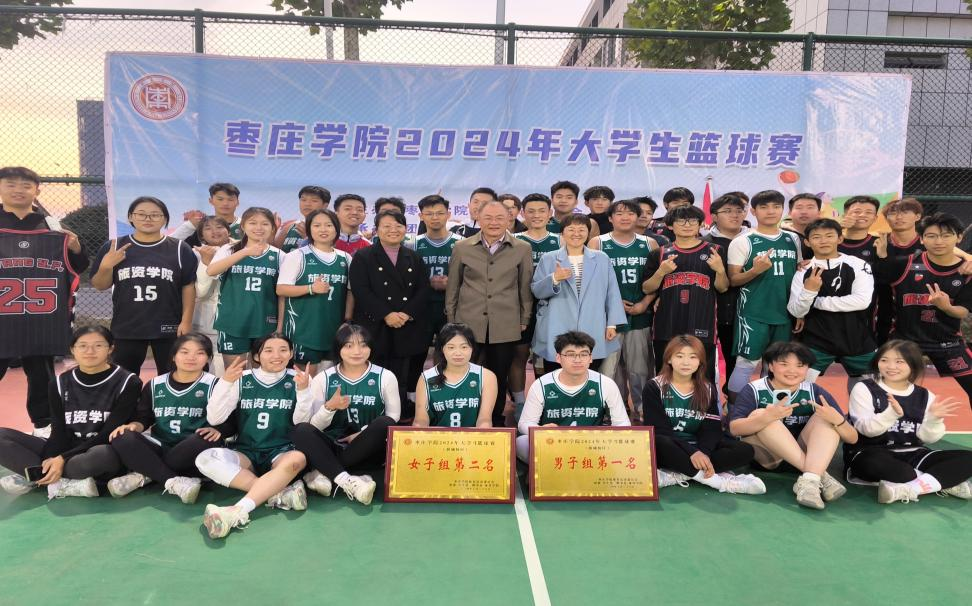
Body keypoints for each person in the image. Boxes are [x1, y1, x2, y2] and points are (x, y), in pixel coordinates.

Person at [0, 326, 141, 499]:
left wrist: (62, 459)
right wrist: (52, 458)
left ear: (110, 348)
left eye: (98, 345)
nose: (90, 351)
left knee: (103, 455)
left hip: (98, 449)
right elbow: (58, 430)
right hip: (68, 447)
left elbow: (108, 434)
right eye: (82, 346)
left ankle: (37, 476)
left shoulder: (128, 382)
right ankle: (58, 482)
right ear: (72, 349)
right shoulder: (59, 382)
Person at [0, 166, 89, 436]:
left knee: (41, 375)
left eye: (26, 185)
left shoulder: (52, 226)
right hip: (4, 315)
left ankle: (44, 425)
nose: (18, 190)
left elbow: (78, 266)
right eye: (11, 184)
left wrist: (75, 248)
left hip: (40, 317)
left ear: (36, 191)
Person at [195, 333, 308, 539]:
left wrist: (303, 391)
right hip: (246, 452)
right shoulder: (242, 379)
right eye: (269, 350)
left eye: (283, 350)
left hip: (281, 452)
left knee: (298, 459)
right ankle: (277, 491)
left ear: (291, 353)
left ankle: (237, 511)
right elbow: (215, 418)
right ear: (256, 356)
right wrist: (225, 383)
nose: (277, 355)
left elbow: (303, 422)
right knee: (205, 458)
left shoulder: (299, 379)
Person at [729, 342, 858, 510]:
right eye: (784, 364)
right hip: (769, 459)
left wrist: (838, 421)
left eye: (800, 365)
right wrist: (767, 417)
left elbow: (852, 438)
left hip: (806, 455)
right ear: (771, 366)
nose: (792, 370)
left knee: (826, 417)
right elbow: (735, 429)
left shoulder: (814, 391)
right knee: (761, 415)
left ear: (807, 369)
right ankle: (818, 475)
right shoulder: (754, 389)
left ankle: (809, 480)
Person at [105, 332, 229, 503]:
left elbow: (230, 420)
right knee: (121, 436)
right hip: (162, 445)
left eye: (200, 353)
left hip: (194, 448)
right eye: (184, 352)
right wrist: (134, 426)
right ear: (173, 356)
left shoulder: (215, 384)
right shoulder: (155, 384)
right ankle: (174, 481)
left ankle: (148, 473)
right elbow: (144, 418)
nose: (191, 357)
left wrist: (218, 429)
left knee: (205, 438)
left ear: (208, 358)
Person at [846, 339, 972, 503]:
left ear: (913, 364)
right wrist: (891, 413)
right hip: (870, 452)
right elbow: (867, 430)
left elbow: (928, 439)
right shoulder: (864, 388)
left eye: (899, 362)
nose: (891, 366)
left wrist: (934, 419)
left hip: (914, 453)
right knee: (891, 469)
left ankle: (912, 488)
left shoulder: (925, 396)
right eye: (884, 360)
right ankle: (942, 481)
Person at [446, 200, 534, 427]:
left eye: (499, 218)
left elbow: (524, 287)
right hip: (468, 321)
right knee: (465, 372)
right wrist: (452, 321)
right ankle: (466, 417)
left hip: (505, 322)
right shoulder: (462, 247)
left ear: (509, 219)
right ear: (478, 217)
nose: (494, 222)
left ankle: (494, 419)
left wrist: (524, 318)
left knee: (498, 374)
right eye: (488, 218)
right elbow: (453, 286)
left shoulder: (522, 248)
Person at [292, 323, 401, 505]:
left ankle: (324, 470)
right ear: (338, 348)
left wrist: (363, 434)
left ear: (371, 348)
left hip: (369, 450)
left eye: (363, 345)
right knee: (301, 430)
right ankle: (347, 480)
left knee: (385, 422)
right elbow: (314, 426)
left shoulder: (385, 376)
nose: (357, 351)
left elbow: (394, 416)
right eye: (349, 346)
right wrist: (329, 407)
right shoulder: (324, 378)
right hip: (332, 446)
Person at [90, 196, 198, 375]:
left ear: (165, 219)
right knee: (124, 378)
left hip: (168, 324)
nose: (148, 219)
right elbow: (100, 285)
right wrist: (106, 266)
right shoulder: (114, 246)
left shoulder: (180, 249)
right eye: (141, 214)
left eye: (155, 215)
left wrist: (186, 321)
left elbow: (188, 286)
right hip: (127, 325)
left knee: (173, 375)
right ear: (130, 217)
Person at [643, 336, 764, 494]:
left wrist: (703, 453)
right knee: (658, 441)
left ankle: (679, 475)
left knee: (745, 450)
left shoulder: (707, 388)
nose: (686, 362)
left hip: (698, 446)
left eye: (693, 357)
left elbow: (712, 429)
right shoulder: (654, 386)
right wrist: (693, 453)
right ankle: (719, 482)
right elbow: (659, 431)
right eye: (679, 356)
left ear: (700, 361)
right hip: (670, 447)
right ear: (669, 359)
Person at [876, 213, 972, 405]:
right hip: (905, 341)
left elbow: (963, 310)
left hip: (948, 342)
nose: (939, 241)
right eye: (931, 236)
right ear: (921, 239)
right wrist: (881, 255)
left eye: (946, 235)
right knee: (887, 393)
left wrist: (946, 307)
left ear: (959, 237)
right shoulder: (903, 265)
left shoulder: (967, 272)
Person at [349, 209, 430, 412]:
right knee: (374, 370)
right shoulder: (363, 256)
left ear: (405, 229)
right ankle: (373, 413)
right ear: (377, 230)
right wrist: (386, 314)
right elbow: (361, 290)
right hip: (375, 324)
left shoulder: (413, 257)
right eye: (387, 226)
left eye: (398, 225)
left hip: (405, 324)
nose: (393, 230)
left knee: (402, 373)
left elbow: (423, 289)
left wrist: (406, 314)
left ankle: (398, 413)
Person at [726, 190, 803, 398]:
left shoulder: (793, 238)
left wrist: (800, 310)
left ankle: (769, 406)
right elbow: (733, 280)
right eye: (764, 207)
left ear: (783, 210)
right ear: (753, 211)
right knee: (746, 363)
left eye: (776, 207)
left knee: (776, 365)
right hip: (753, 313)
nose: (771, 211)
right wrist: (755, 271)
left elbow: (797, 276)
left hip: (785, 313)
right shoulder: (743, 241)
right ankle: (734, 410)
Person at [788, 218, 876, 394]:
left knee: (869, 392)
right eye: (816, 237)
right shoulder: (802, 270)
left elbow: (862, 301)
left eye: (829, 236)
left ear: (840, 238)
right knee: (799, 388)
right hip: (816, 340)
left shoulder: (858, 264)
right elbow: (796, 310)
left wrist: (815, 300)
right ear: (807, 242)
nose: (823, 241)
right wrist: (809, 291)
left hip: (857, 338)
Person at [642, 205, 728, 380]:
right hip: (666, 324)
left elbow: (723, 287)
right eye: (681, 221)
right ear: (670, 225)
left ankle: (704, 400)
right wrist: (661, 272)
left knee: (703, 377)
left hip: (703, 323)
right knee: (665, 375)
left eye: (693, 221)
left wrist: (720, 270)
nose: (687, 225)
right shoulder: (659, 253)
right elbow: (647, 288)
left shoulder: (715, 250)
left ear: (700, 224)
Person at [532, 213, 626, 372]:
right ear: (562, 233)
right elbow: (537, 291)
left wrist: (611, 324)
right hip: (557, 323)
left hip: (593, 323)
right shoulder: (549, 258)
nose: (576, 234)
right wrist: (554, 279)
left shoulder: (601, 258)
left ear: (588, 233)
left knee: (590, 369)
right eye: (571, 229)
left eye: (581, 230)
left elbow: (612, 292)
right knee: (556, 369)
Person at [590, 199, 657, 422]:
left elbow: (657, 280)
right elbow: (592, 281)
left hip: (640, 314)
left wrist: (645, 303)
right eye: (619, 213)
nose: (625, 217)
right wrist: (613, 303)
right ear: (610, 218)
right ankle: (612, 411)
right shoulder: (598, 243)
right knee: (609, 370)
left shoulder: (649, 244)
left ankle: (641, 407)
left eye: (630, 213)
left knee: (640, 368)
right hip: (607, 317)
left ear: (638, 217)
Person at [516, 331, 630, 461]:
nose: (577, 360)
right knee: (521, 442)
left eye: (584, 354)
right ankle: (545, 468)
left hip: (592, 446)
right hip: (553, 445)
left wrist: (606, 439)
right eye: (570, 354)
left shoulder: (605, 384)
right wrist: (540, 430)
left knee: (626, 444)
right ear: (558, 358)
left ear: (591, 358)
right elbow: (525, 423)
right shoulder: (542, 385)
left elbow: (622, 423)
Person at [277, 209, 352, 374]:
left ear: (337, 229)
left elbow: (350, 292)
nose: (323, 229)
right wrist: (311, 288)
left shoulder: (345, 258)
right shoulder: (297, 256)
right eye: (317, 225)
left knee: (331, 379)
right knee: (306, 379)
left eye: (328, 225)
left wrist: (347, 320)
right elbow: (281, 289)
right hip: (303, 330)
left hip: (334, 329)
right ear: (309, 229)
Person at [207, 207, 283, 368]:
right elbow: (211, 271)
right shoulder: (229, 249)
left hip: (264, 322)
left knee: (262, 373)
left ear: (272, 228)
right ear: (242, 226)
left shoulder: (279, 256)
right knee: (234, 372)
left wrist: (280, 325)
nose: (259, 227)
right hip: (232, 321)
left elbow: (282, 294)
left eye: (265, 224)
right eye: (253, 223)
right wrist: (245, 252)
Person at [411, 195, 464, 402]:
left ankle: (445, 394)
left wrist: (451, 282)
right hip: (421, 308)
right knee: (417, 353)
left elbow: (471, 276)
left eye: (440, 213)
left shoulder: (461, 243)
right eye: (429, 213)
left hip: (451, 307)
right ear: (421, 216)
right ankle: (415, 397)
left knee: (448, 352)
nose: (435, 217)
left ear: (448, 214)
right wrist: (427, 284)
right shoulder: (413, 244)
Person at [702, 193, 749, 391]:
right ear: (714, 216)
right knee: (703, 360)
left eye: (739, 211)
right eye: (728, 211)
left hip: (745, 312)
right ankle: (706, 401)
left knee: (737, 361)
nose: (735, 215)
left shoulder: (753, 240)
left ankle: (733, 400)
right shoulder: (703, 243)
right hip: (709, 311)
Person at [414, 323, 497, 428]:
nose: (458, 353)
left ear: (472, 348)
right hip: (437, 437)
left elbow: (485, 419)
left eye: (464, 347)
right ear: (442, 349)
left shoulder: (487, 376)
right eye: (451, 347)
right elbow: (421, 420)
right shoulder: (426, 378)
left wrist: (481, 432)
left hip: (473, 437)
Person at [874, 197, 924, 344]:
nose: (899, 217)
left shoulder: (929, 243)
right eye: (893, 213)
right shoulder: (878, 242)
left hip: (919, 306)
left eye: (905, 212)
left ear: (918, 216)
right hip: (884, 306)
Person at [189, 216, 231, 377]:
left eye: (219, 226)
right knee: (205, 367)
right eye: (208, 228)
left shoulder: (241, 250)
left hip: (235, 321)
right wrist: (206, 263)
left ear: (228, 230)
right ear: (201, 235)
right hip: (205, 321)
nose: (215, 231)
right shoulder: (195, 254)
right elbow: (201, 292)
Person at [171, 183, 242, 246]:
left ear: (238, 202)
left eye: (230, 200)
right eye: (220, 199)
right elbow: (170, 244)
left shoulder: (244, 225)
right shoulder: (200, 225)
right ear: (211, 201)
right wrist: (190, 226)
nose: (225, 203)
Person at [273, 185, 330, 253]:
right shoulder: (290, 227)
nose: (307, 204)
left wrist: (308, 238)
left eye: (314, 201)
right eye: (303, 200)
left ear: (325, 206)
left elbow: (327, 254)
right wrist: (271, 232)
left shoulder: (329, 228)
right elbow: (273, 252)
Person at [838, 195, 880, 265]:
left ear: (875, 218)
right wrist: (837, 228)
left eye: (868, 212)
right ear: (844, 216)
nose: (862, 215)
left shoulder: (879, 243)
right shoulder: (831, 241)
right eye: (857, 211)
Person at [780, 193, 821, 259]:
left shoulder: (828, 234)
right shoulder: (779, 235)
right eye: (799, 208)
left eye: (810, 207)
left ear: (819, 213)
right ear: (789, 212)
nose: (804, 212)